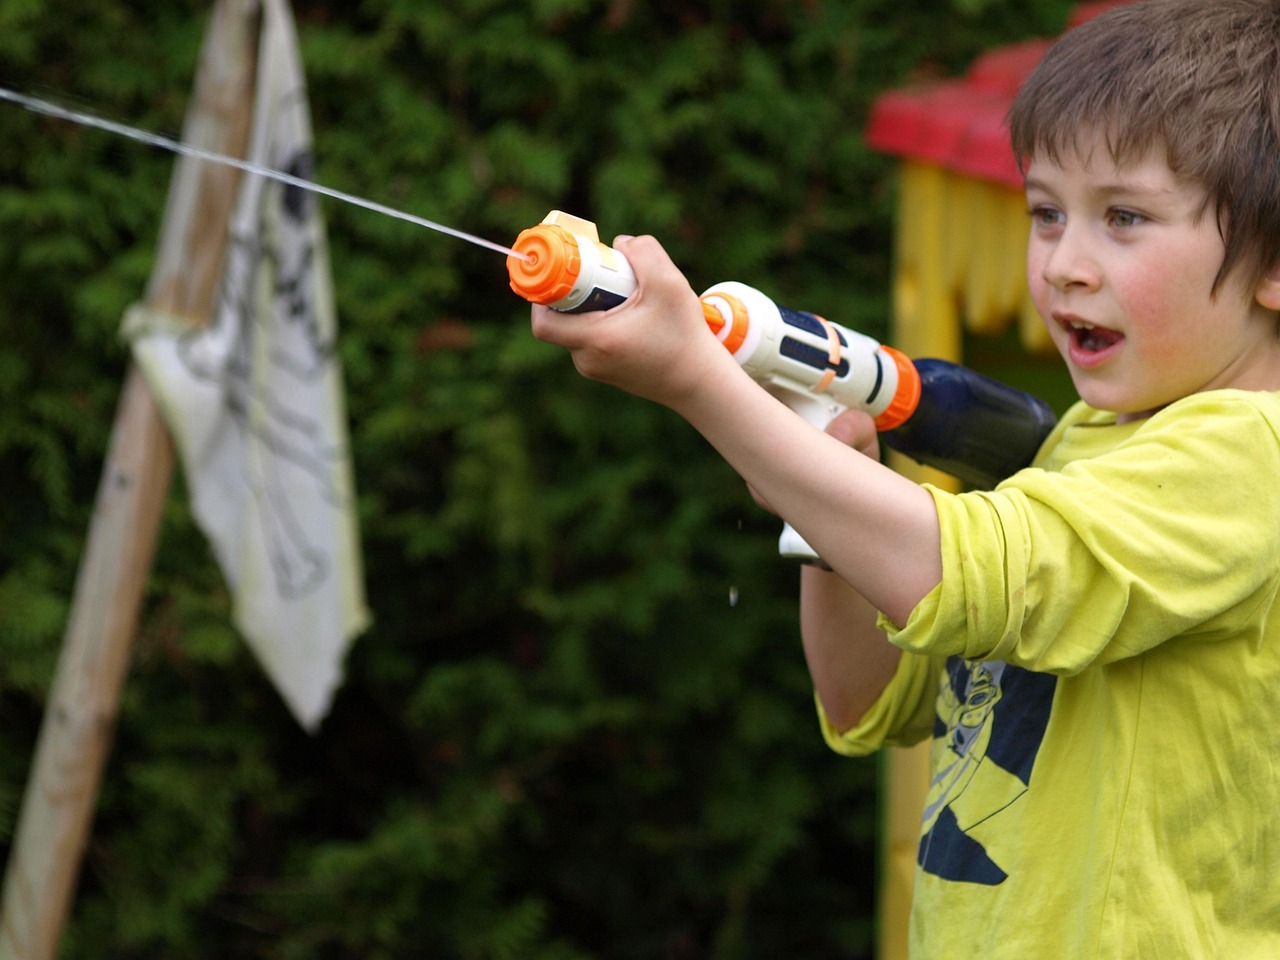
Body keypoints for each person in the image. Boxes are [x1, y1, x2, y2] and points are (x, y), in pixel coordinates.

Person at [530, 0, 1280, 954]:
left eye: (1123, 217)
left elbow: (958, 574)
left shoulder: (1253, 454)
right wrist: (826, 504)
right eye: (1046, 213)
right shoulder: (1089, 446)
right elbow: (868, 701)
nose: (1064, 265)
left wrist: (695, 380)